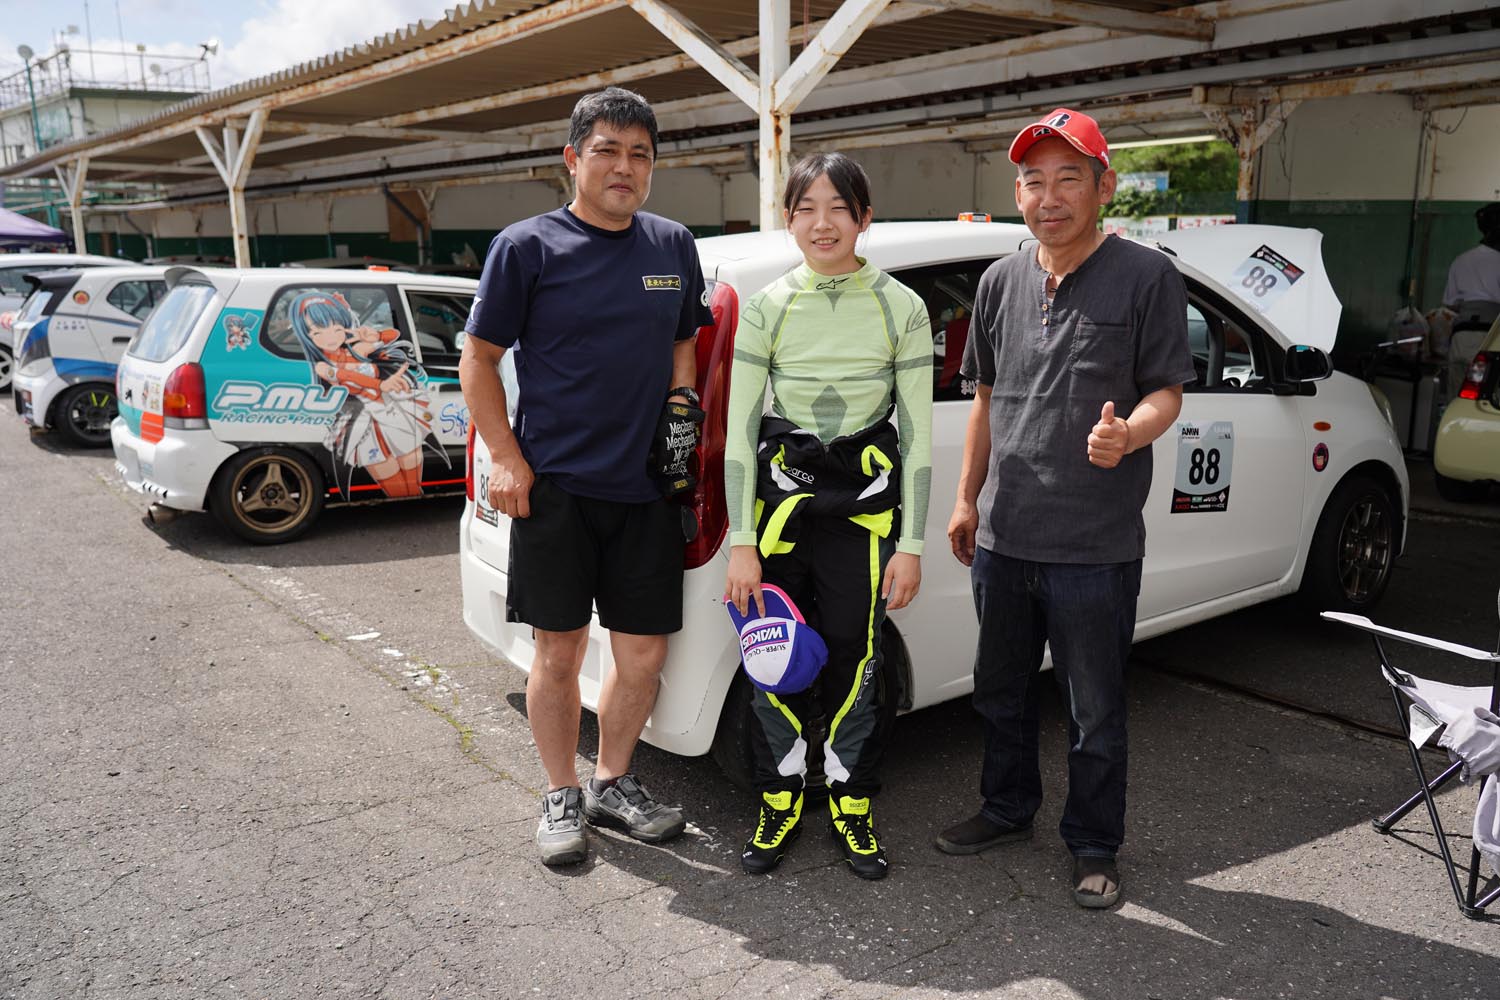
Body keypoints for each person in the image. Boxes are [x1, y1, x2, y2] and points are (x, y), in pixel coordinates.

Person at [937, 108, 1194, 908]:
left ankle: (1094, 843)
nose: (1048, 196)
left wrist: (1130, 436)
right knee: (1001, 690)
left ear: (1103, 186)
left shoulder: (1147, 276)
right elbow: (984, 397)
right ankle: (1008, 810)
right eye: (1033, 181)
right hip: (1006, 537)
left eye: (1068, 178)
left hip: (1096, 543)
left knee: (1093, 710)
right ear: (1018, 193)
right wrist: (964, 498)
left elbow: (1166, 392)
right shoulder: (1000, 281)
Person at [459, 87, 712, 867]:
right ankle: (560, 792)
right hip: (558, 490)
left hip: (645, 495)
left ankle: (613, 782)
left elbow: (684, 342)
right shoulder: (527, 247)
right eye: (607, 149)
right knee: (559, 653)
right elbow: (478, 360)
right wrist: (505, 455)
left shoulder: (671, 246)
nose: (624, 167)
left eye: (641, 154)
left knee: (642, 658)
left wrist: (681, 403)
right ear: (573, 159)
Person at [723, 152, 933, 880]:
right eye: (805, 207)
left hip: (866, 515)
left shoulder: (901, 307)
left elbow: (919, 435)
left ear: (864, 218)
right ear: (788, 219)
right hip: (780, 510)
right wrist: (741, 542)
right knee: (773, 658)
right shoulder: (769, 305)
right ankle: (778, 797)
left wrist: (912, 545)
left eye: (838, 206)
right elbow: (739, 431)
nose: (822, 222)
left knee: (856, 657)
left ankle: (851, 799)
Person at [289, 290, 431, 499]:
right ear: (306, 335)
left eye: (336, 328)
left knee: (412, 474)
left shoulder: (356, 349)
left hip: (394, 411)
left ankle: (417, 517)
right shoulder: (322, 366)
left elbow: (394, 336)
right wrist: (380, 384)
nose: (330, 337)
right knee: (392, 478)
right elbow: (348, 376)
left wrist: (375, 335)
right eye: (317, 332)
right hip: (363, 423)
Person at [1442, 202, 1500, 396]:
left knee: (1456, 398)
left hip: (1460, 338)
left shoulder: (1461, 260)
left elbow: (1450, 304)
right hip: (1488, 341)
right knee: (1483, 400)